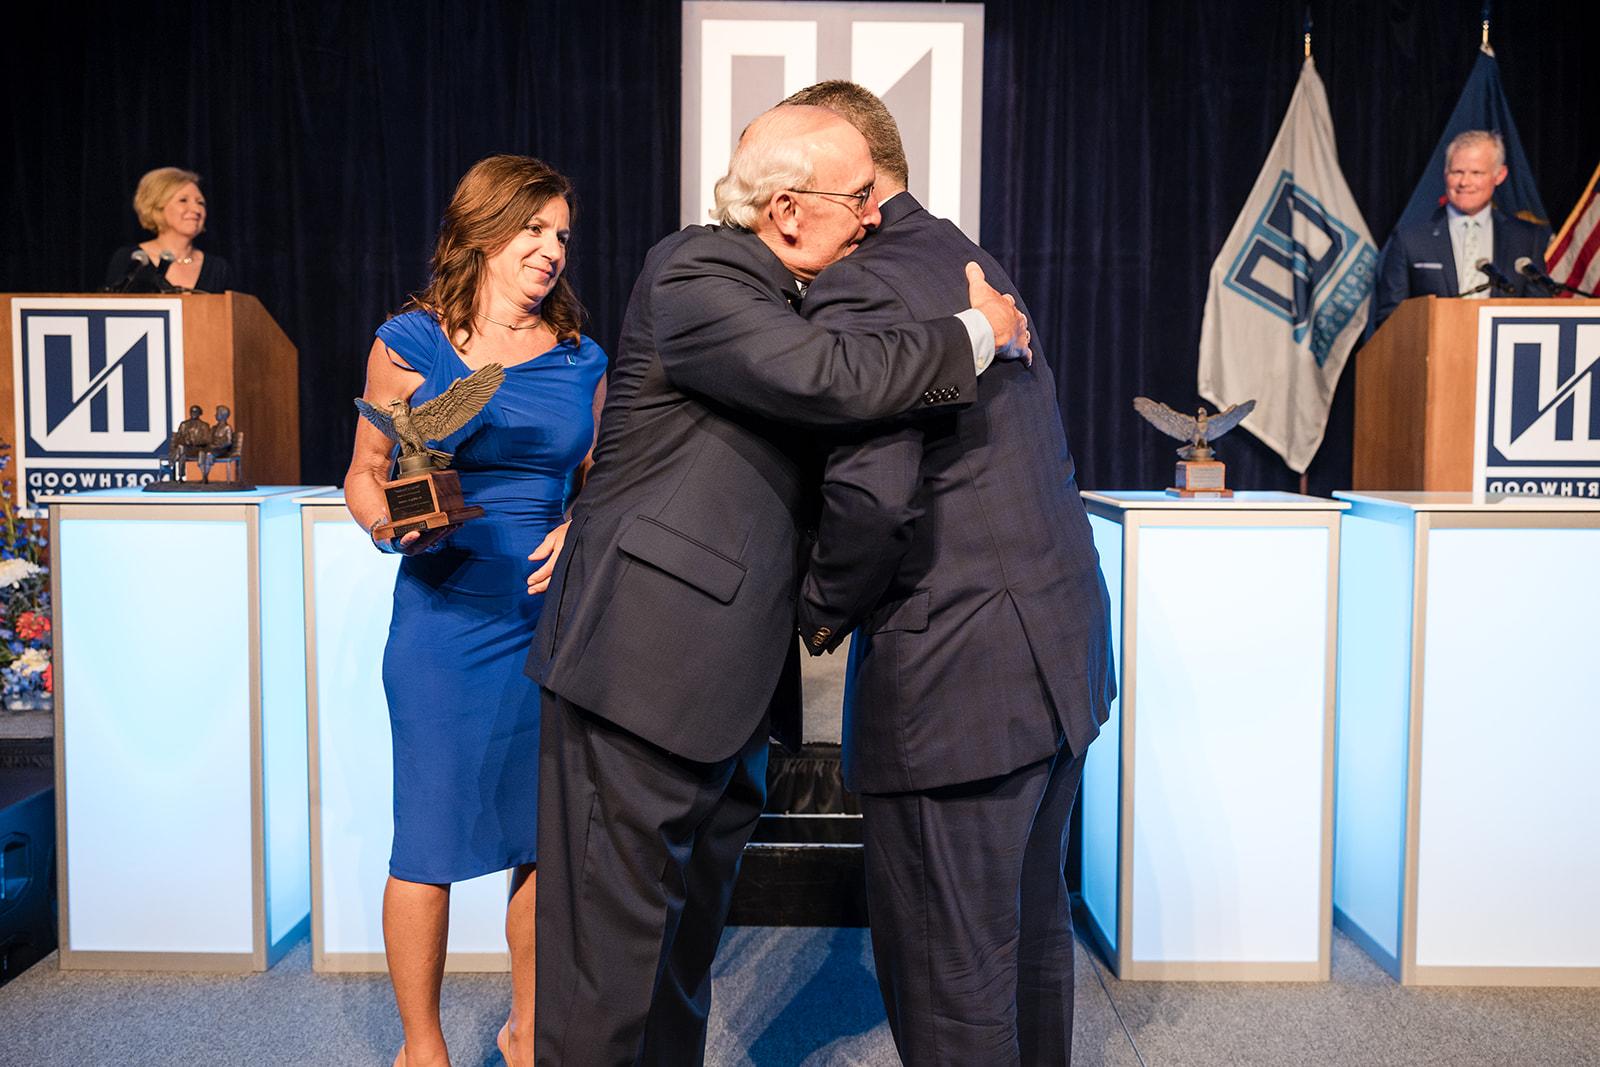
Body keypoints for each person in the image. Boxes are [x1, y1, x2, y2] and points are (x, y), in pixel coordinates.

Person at [525, 104, 1030, 1066]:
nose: (875, 218)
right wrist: (974, 330)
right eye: (857, 200)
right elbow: (826, 376)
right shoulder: (696, 271)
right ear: (788, 209)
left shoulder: (798, 290)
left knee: (678, 961)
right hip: (638, 672)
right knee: (603, 987)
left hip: (730, 692)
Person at [786, 81, 1115, 1065]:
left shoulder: (858, 283)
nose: (779, 216)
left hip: (960, 690)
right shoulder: (965, 256)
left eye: (791, 188)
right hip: (1054, 661)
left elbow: (872, 495)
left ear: (858, 184)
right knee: (1028, 940)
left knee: (949, 974)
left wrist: (814, 606)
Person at [344, 154, 606, 1067]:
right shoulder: (409, 343)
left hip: (551, 622)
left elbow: (600, 483)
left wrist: (582, 529)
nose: (552, 251)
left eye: (562, 234)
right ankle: (424, 1047)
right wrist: (389, 527)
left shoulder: (583, 358)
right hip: (443, 618)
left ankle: (529, 1031)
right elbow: (366, 472)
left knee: (541, 838)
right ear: (483, 233)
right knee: (428, 835)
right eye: (533, 230)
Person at [1372, 130, 1552, 328]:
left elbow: (1539, 313)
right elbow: (1390, 318)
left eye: (1476, 173)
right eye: (1457, 172)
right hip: (1434, 353)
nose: (1464, 183)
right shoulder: (1410, 238)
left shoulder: (1526, 238)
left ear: (1499, 175)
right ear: (1445, 173)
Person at [104, 167, 232, 293]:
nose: (196, 210)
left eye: (200, 203)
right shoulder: (132, 262)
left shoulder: (218, 269)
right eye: (183, 200)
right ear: (157, 207)